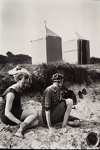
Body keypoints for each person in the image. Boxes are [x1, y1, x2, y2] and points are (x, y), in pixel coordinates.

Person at [0, 65, 38, 138]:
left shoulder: (18, 88)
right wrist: (20, 122)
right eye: (23, 83)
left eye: (26, 83)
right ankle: (19, 131)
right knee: (34, 112)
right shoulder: (11, 93)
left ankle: (18, 128)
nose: (25, 85)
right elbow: (7, 112)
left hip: (13, 112)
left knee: (35, 122)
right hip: (6, 116)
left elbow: (17, 104)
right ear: (18, 80)